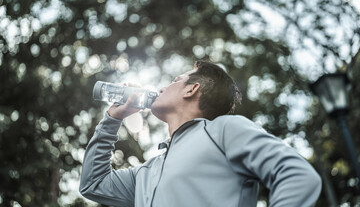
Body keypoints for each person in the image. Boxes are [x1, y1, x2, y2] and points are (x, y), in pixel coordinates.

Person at [79, 60, 322, 207]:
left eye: (175, 80)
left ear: (192, 89)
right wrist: (112, 119)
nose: (162, 87)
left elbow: (297, 176)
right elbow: (94, 184)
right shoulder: (147, 171)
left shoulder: (224, 130)